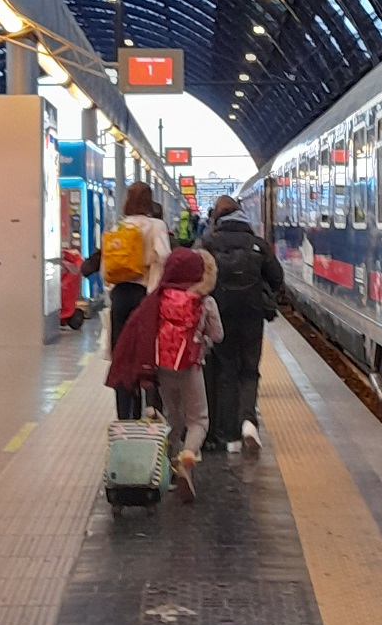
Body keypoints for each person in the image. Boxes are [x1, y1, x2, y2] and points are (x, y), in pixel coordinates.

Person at [108, 248, 223, 503]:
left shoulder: (157, 300)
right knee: (198, 420)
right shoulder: (205, 301)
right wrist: (202, 341)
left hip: (161, 369)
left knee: (172, 416)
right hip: (191, 367)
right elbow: (217, 335)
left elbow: (141, 332)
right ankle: (188, 456)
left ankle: (170, 466)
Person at [203, 195, 283, 454]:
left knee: (226, 371)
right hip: (252, 315)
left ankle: (231, 437)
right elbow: (277, 278)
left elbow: (197, 276)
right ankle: (248, 421)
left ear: (217, 218)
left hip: (221, 314)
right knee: (249, 369)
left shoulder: (208, 243)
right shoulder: (258, 244)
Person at [108, 181, 170, 420]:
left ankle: (125, 416)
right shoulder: (156, 226)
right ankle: (151, 407)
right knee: (147, 354)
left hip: (120, 295)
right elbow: (164, 257)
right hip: (145, 296)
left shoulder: (119, 226)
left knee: (121, 356)